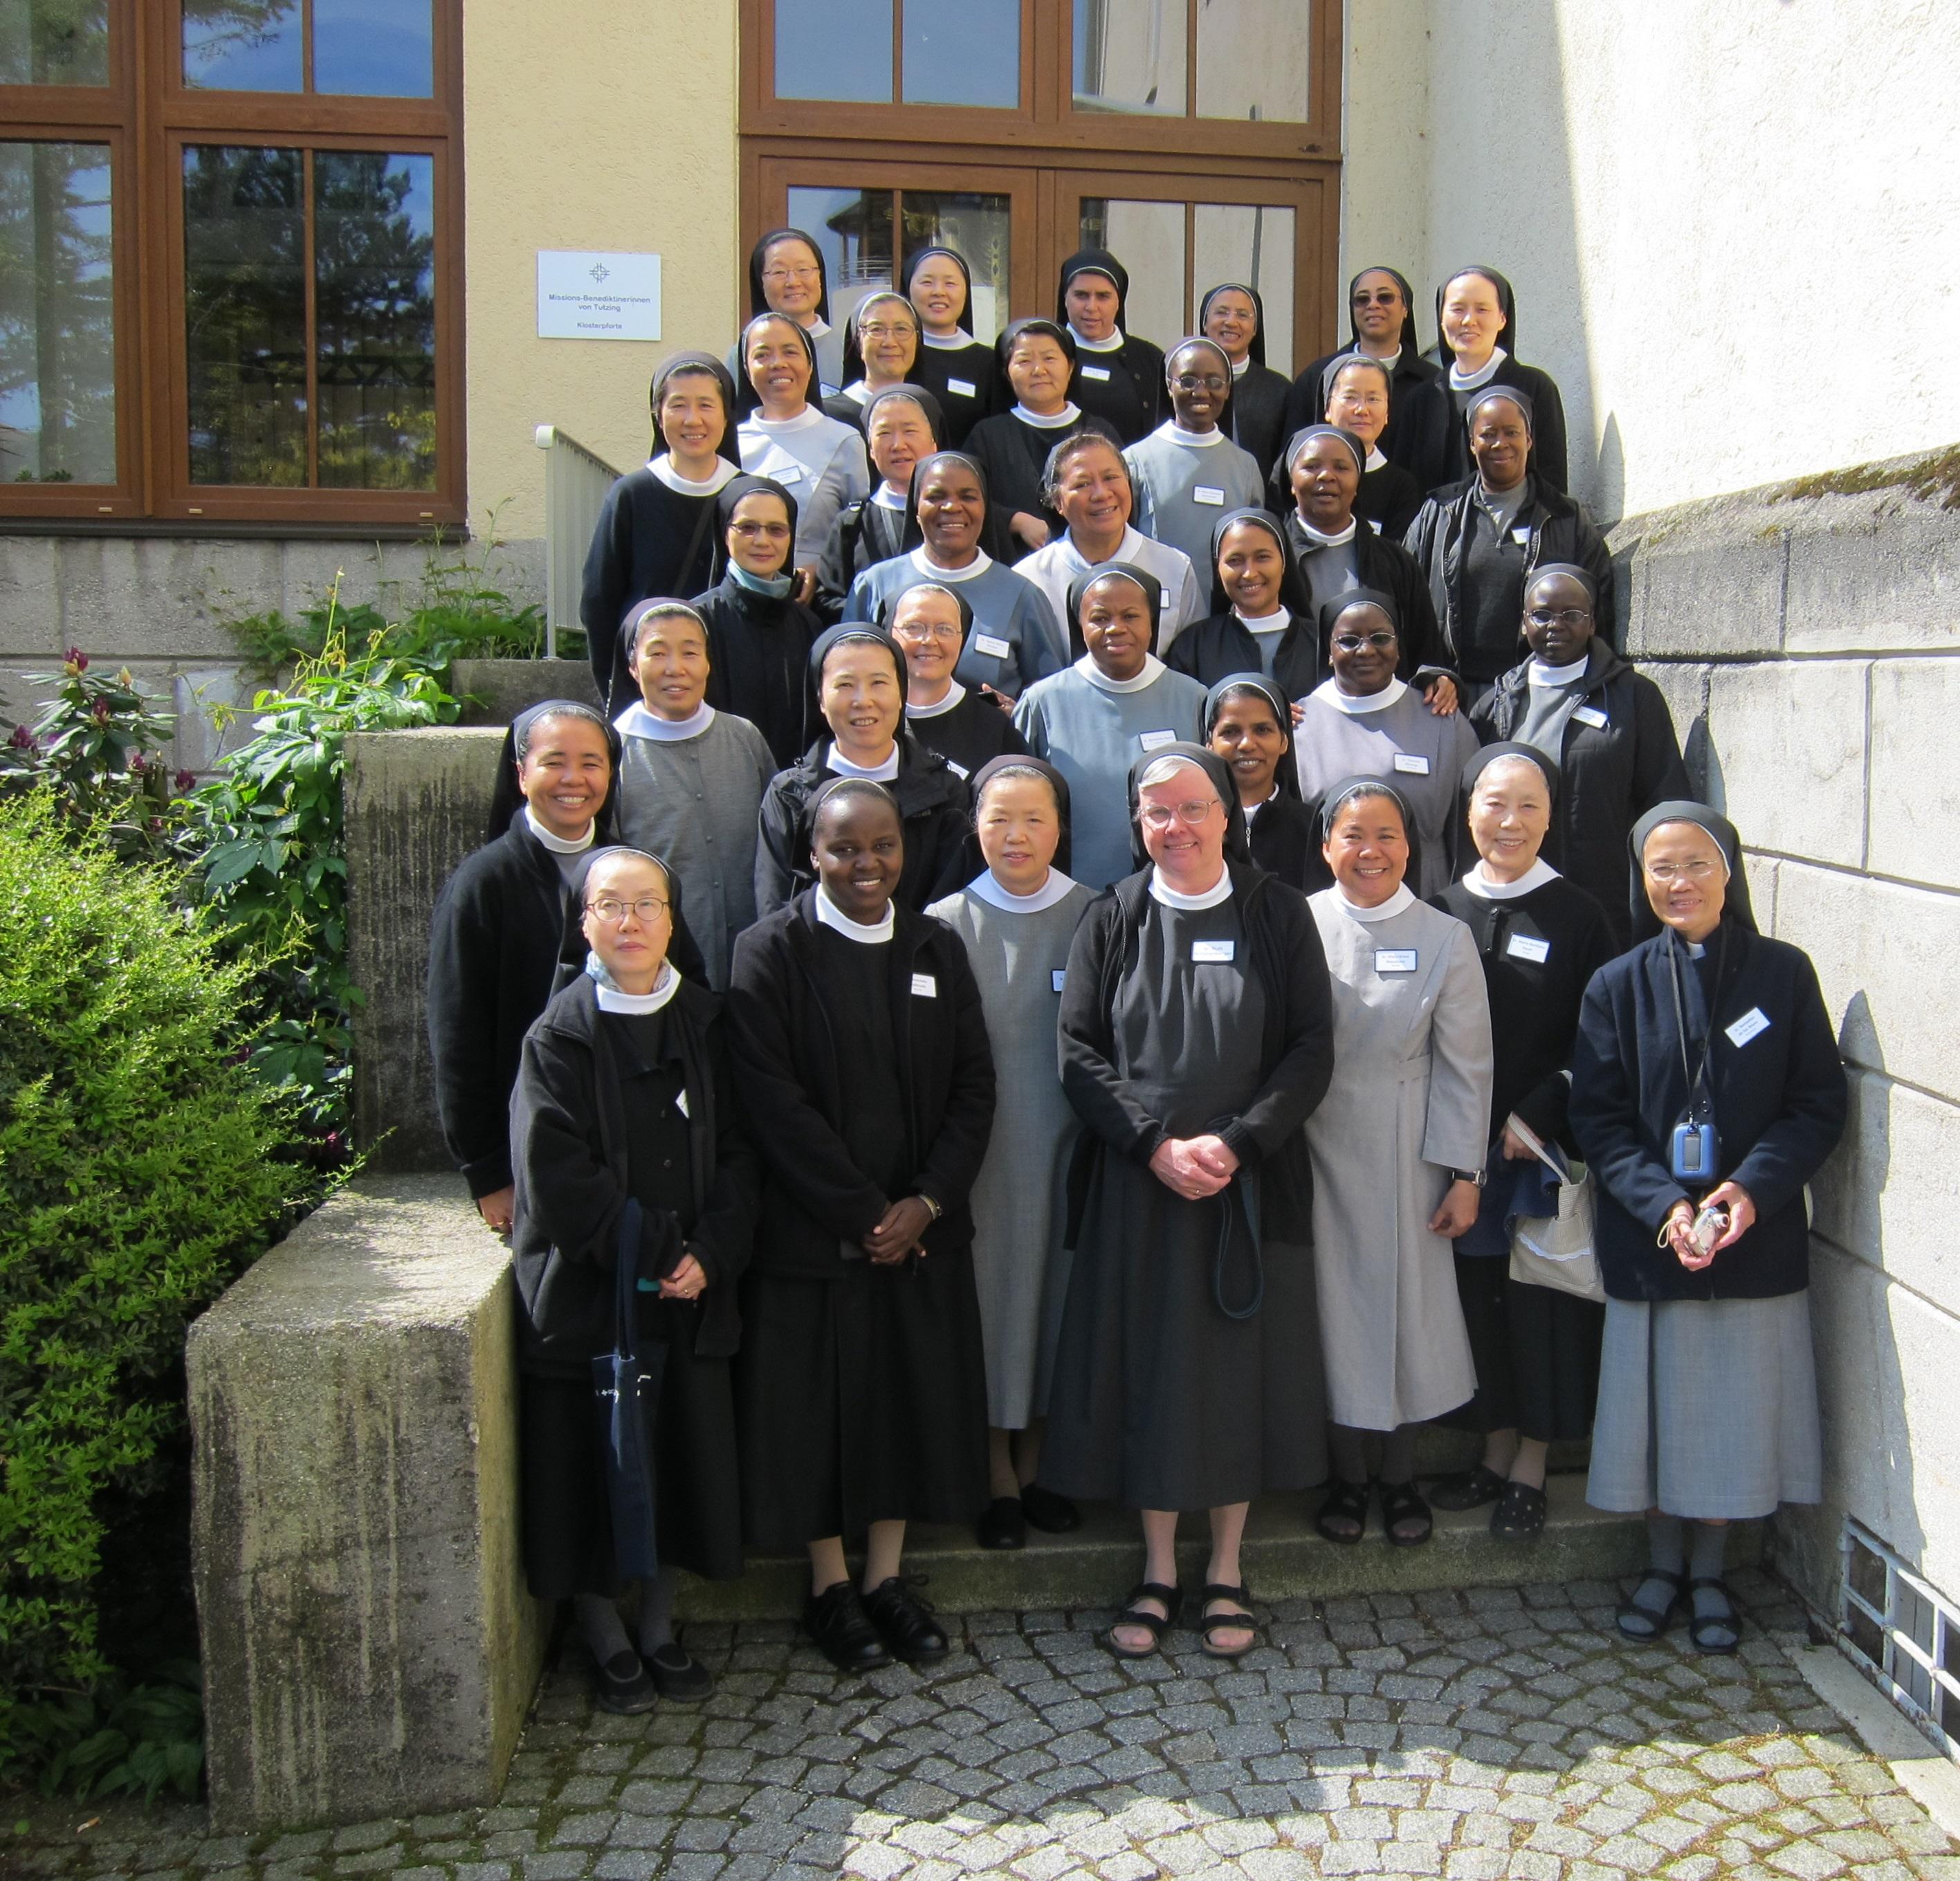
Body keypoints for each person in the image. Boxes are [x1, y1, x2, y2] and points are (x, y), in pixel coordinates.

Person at [1043, 744, 1335, 1659]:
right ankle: (1159, 1567)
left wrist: (1237, 1141)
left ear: (1224, 813)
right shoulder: (1111, 915)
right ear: (1138, 823)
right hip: (1141, 1186)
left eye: (1193, 806)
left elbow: (1311, 1047)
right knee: (1151, 1370)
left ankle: (1227, 1569)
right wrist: (1153, 1145)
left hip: (1248, 1181)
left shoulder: (1276, 911)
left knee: (1236, 1375)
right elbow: (1076, 1052)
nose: (1176, 825)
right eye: (1157, 811)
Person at [726, 779, 997, 1671]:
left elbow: (973, 1086)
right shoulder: (769, 951)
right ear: (812, 854)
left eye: (882, 845)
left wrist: (926, 1201)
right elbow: (771, 1102)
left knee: (904, 1405)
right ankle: (830, 1587)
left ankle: (885, 1578)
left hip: (920, 1239)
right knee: (816, 1413)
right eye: (844, 848)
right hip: (812, 1237)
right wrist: (862, 1210)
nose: (866, 864)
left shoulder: (934, 945)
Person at [1570, 804, 1847, 1653]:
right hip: (1654, 1235)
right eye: (1660, 867)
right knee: (1655, 1420)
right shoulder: (1615, 984)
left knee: (1730, 1418)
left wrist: (1746, 1192)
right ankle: (1660, 1566)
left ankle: (1711, 1572)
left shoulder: (1783, 973)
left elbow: (1816, 1102)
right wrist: (1668, 1205)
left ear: (1729, 871)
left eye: (1696, 863)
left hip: (1751, 1233)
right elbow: (1598, 1120)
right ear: (1641, 878)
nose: (1678, 882)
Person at [508, 846, 755, 1712]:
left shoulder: (710, 1022)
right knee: (591, 1463)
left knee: (678, 1456)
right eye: (609, 905)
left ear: (672, 920)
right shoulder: (557, 1037)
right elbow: (556, 1177)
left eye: (647, 904)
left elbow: (743, 1151)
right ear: (584, 923)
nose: (630, 922)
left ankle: (657, 1625)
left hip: (691, 1295)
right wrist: (656, 1251)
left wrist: (710, 1252)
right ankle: (603, 1632)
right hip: (590, 1297)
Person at [1426, 745, 1617, 1537]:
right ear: (1467, 809)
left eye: (1528, 805)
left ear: (1550, 816)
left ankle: (1532, 1466)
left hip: (1536, 1152)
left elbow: (1600, 1037)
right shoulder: (1439, 908)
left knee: (1540, 1310)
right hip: (1456, 1150)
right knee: (1477, 1306)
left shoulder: (1580, 915)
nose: (1509, 821)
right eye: (1493, 803)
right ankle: (1493, 1451)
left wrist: (1538, 1111)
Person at [1306, 778, 1494, 1547]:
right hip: (1311, 1145)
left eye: (1386, 834)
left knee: (1407, 1315)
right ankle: (1346, 1475)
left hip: (1408, 1145)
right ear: (1326, 845)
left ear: (1409, 846)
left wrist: (1464, 1173)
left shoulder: (1444, 934)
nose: (1370, 850)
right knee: (1330, 1312)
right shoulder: (1297, 922)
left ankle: (1399, 1475)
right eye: (1352, 834)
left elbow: (1467, 1065)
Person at [927, 757, 1095, 1550]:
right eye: (999, 818)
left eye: (1034, 818)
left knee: (1060, 1296)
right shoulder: (943, 923)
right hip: (981, 1152)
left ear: (1061, 827)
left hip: (1073, 1144)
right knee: (992, 1301)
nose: (1016, 835)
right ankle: (994, 1468)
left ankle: (1040, 1461)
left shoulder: (1096, 914)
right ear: (975, 826)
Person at [428, 701, 622, 1236]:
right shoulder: (482, 884)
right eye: (554, 761)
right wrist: (486, 1172)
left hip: (622, 1144)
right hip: (526, 1151)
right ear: (520, 773)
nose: (573, 779)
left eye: (590, 763)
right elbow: (457, 1036)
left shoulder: (633, 871)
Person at [1470, 563, 1689, 948]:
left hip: (1606, 897)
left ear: (1592, 623)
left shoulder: (1634, 697)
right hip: (1520, 898)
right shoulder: (1496, 704)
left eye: (1571, 614)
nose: (1556, 625)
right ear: (1523, 622)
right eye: (1542, 615)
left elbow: (1665, 799)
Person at [1403, 385, 1614, 699]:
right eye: (1488, 434)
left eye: (1511, 432)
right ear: (1472, 443)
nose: (1500, 443)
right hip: (1448, 696)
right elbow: (1406, 601)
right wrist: (1430, 673)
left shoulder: (1567, 518)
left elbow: (1599, 608)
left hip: (1537, 693)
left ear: (1529, 439)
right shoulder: (1437, 514)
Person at [610, 600, 774, 990]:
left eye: (690, 652)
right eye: (657, 653)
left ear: (707, 663)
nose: (675, 668)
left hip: (755, 965)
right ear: (633, 666)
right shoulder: (613, 753)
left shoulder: (745, 738)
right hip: (663, 970)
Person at [1011, 566, 1209, 890]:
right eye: (1100, 618)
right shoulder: (1041, 703)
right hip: (1072, 894)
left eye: (1130, 616)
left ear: (1151, 622)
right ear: (1080, 624)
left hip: (1173, 892)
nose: (1116, 628)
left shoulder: (1194, 698)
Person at [755, 623, 971, 916]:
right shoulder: (789, 795)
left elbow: (951, 907)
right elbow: (776, 909)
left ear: (901, 693)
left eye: (878, 683)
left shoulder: (945, 793)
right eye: (845, 685)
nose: (863, 701)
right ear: (820, 698)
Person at [581, 352, 742, 710]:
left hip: (731, 686)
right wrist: (616, 685)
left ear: (726, 413)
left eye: (706, 405)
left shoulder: (748, 495)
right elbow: (599, 599)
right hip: (651, 689)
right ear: (658, 414)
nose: (692, 419)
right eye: (678, 405)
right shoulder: (631, 494)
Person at [1294, 593, 1481, 898]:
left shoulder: (1441, 716)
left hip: (1428, 896)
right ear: (1328, 650)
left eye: (1380, 638)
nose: (1366, 650)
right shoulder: (1298, 724)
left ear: (1398, 647)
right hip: (1331, 899)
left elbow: (1470, 828)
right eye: (1349, 641)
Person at [844, 451, 1065, 699]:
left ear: (985, 508)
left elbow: (1049, 698)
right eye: (936, 497)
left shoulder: (1022, 595)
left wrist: (1016, 712)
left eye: (968, 497)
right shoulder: (874, 584)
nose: (951, 507)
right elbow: (846, 675)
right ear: (916, 508)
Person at [1282, 425, 1451, 686]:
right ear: (1291, 481)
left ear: (1358, 482)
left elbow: (1425, 651)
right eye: (1311, 467)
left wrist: (1437, 679)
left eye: (1341, 467)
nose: (1326, 475)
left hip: (1382, 706)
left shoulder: (1396, 562)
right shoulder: (1270, 559)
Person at [1014, 429, 1207, 645]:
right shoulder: (1028, 579)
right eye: (1082, 484)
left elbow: (1193, 655)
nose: (1102, 494)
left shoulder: (1175, 569)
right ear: (1058, 501)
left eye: (1111, 478)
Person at [1396, 266, 1570, 495]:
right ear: (1441, 319)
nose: (1469, 320)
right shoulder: (1421, 400)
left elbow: (1552, 485)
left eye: (1482, 309)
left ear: (1502, 318)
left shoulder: (1534, 387)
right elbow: (1407, 491)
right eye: (1458, 309)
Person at [690, 475, 823, 771]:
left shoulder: (810, 627)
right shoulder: (697, 622)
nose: (762, 541)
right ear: (725, 534)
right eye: (748, 527)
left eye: (776, 529)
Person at [735, 313, 871, 591]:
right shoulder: (732, 442)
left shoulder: (844, 440)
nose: (778, 363)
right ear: (747, 370)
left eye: (790, 352)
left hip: (816, 599)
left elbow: (859, 538)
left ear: (810, 365)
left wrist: (820, 568)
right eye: (762, 354)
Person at [1122, 338, 1267, 586]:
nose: (1201, 392)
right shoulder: (1136, 459)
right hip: (1158, 601)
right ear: (1169, 385)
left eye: (1214, 382)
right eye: (1188, 381)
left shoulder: (1245, 466)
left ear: (1228, 389)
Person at [1285, 266, 1439, 467]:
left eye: (1385, 297)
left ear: (1405, 308)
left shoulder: (1432, 382)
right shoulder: (1317, 378)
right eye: (1362, 299)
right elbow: (1294, 455)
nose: (1373, 305)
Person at [815, 385, 945, 617]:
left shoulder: (960, 516)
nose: (898, 445)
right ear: (871, 450)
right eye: (884, 433)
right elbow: (828, 600)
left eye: (910, 431)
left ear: (934, 443)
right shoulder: (853, 524)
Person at [965, 318, 1093, 552]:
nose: (1039, 370)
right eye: (1024, 360)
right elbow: (964, 497)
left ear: (1070, 367)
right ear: (1007, 372)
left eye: (1049, 358)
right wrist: (1013, 520)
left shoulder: (1098, 433)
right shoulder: (987, 436)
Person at [889, 581, 1031, 780]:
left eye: (945, 629)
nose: (929, 640)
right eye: (913, 627)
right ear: (889, 631)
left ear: (962, 637)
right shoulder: (867, 717)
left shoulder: (994, 728)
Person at [1205, 674, 1326, 894]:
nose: (1247, 744)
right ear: (1210, 745)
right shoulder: (1193, 827)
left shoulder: (1314, 830)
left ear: (1284, 741)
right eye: (1230, 732)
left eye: (1262, 730)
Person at [1056, 248, 1166, 446]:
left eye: (1103, 296)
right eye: (1081, 295)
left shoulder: (1150, 358)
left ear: (1118, 302)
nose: (1091, 307)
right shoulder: (1046, 354)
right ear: (1065, 298)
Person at [904, 246, 1002, 448]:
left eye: (950, 283)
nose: (939, 292)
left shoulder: (989, 362)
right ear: (908, 289)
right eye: (927, 282)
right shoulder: (894, 354)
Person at [729, 227, 843, 398]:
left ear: (820, 276)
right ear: (761, 283)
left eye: (803, 270)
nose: (793, 282)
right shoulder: (743, 354)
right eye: (779, 272)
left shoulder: (847, 349)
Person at [1323, 356, 1427, 542]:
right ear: (1328, 408)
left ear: (1387, 413)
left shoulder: (1401, 487)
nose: (1362, 410)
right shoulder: (1305, 474)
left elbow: (1397, 555)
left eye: (1373, 399)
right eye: (1350, 397)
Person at [1200, 280, 1291, 486]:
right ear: (1205, 323)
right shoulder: (1186, 385)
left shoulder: (1279, 390)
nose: (1231, 322)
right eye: (1221, 312)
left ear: (1255, 328)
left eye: (1242, 315)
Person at [827, 292, 922, 428]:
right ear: (858, 342)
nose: (890, 342)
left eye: (901, 329)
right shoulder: (831, 416)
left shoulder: (926, 412)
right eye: (876, 329)